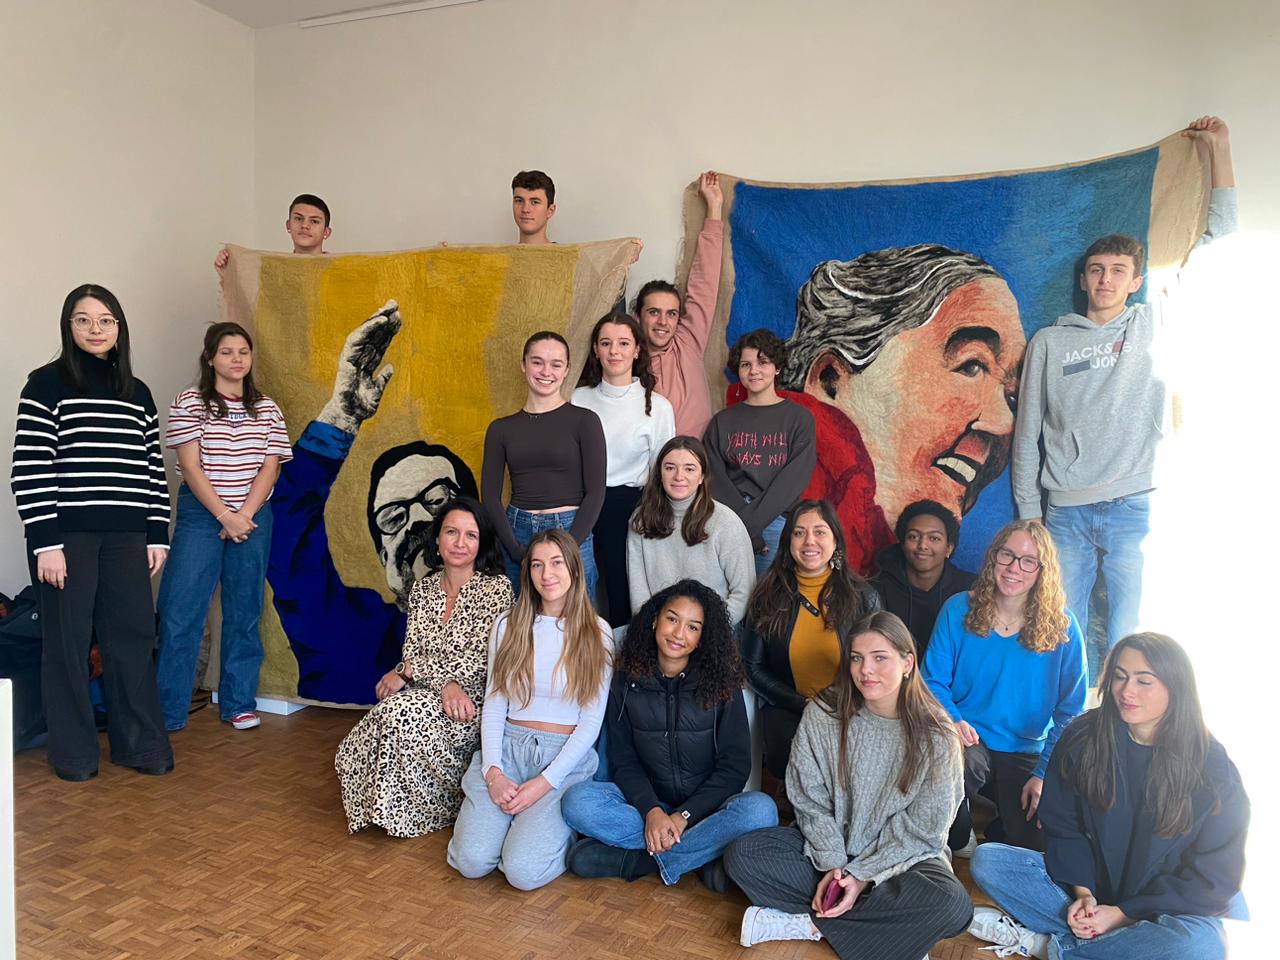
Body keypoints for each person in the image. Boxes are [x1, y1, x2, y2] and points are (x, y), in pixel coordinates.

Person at [1012, 117, 1235, 655]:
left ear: (1135, 282)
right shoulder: (1049, 341)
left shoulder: (1152, 322)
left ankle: (1123, 712)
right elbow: (1026, 435)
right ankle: (1071, 714)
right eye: (1096, 269)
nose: (1105, 279)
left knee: (1132, 638)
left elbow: (1220, 244)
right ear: (1083, 279)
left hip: (1136, 505)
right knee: (1058, 635)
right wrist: (1029, 514)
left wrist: (1220, 150)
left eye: (1117, 270)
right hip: (1065, 511)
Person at [968, 632, 1249, 960]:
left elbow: (1214, 878)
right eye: (1119, 676)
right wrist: (1083, 894)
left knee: (1202, 945)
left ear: (1176, 686)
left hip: (1160, 910)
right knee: (990, 861)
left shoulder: (1213, 768)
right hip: (1091, 891)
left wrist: (1123, 914)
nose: (1126, 691)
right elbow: (1064, 828)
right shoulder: (1083, 736)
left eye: (1144, 681)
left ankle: (1053, 948)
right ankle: (1116, 947)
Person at [724, 611, 971, 958]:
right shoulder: (823, 713)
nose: (865, 670)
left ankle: (808, 926)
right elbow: (808, 799)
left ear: (907, 663)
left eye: (880, 658)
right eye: (857, 658)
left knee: (953, 905)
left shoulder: (938, 733)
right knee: (743, 855)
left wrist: (863, 875)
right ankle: (894, 934)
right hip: (828, 851)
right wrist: (835, 866)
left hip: (901, 861)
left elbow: (925, 829)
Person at [267, 300, 478, 705]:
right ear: (383, 554)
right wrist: (341, 417)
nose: (417, 521)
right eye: (393, 517)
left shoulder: (501, 616)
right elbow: (287, 533)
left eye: (437, 500)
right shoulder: (349, 633)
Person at [10, 284, 173, 780]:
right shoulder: (45, 385)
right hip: (67, 541)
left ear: (119, 328)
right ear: (69, 327)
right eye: (83, 320)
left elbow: (153, 469)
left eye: (105, 320)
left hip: (128, 538)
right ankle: (74, 755)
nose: (95, 329)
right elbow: (30, 467)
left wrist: (157, 533)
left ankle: (140, 745)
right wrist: (46, 542)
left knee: (132, 639)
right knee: (68, 644)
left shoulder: (137, 393)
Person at [782, 244, 1025, 574]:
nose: (1004, 423)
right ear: (830, 380)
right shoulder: (779, 520)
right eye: (971, 365)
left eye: (1013, 397)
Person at [561, 580, 776, 889]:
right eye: (672, 619)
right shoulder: (626, 680)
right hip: (648, 805)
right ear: (654, 620)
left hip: (705, 809)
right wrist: (652, 811)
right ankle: (701, 854)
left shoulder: (721, 683)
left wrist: (683, 816)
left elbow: (735, 767)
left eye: (692, 627)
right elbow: (624, 760)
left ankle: (641, 862)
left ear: (702, 638)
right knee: (577, 801)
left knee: (760, 811)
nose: (678, 633)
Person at [334, 498, 513, 837]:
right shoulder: (423, 589)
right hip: (425, 693)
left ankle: (438, 807)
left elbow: (482, 660)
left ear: (482, 543)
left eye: (471, 535)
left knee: (397, 713)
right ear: (438, 538)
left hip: (470, 704)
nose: (460, 543)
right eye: (451, 532)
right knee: (366, 737)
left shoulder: (496, 589)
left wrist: (412, 671)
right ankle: (390, 809)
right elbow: (411, 650)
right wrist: (423, 674)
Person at [447, 529, 612, 890]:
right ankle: (504, 828)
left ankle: (552, 832)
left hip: (562, 759)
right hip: (508, 748)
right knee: (471, 861)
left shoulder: (597, 633)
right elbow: (495, 704)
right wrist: (494, 772)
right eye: (537, 565)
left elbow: (590, 723)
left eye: (556, 563)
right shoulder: (508, 625)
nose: (546, 574)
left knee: (522, 872)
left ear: (574, 568)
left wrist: (544, 783)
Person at [155, 323, 292, 732]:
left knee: (244, 611)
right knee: (181, 611)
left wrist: (244, 515)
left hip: (254, 516)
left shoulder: (267, 408)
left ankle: (238, 702)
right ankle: (168, 710)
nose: (236, 359)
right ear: (210, 358)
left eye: (243, 352)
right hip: (202, 514)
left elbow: (270, 468)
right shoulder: (190, 402)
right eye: (227, 352)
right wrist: (224, 516)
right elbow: (190, 466)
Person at [924, 519, 1086, 853]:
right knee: (951, 774)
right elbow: (931, 680)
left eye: (1028, 561)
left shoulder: (1064, 626)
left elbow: (1072, 711)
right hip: (969, 737)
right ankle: (959, 831)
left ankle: (1002, 825)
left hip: (1028, 748)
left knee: (1035, 840)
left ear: (1043, 570)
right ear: (993, 557)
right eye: (1007, 555)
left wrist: (1045, 772)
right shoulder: (958, 608)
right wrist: (953, 720)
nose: (1014, 568)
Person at [741, 499, 880, 781]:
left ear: (835, 541)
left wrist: (845, 704)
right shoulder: (767, 596)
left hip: (852, 707)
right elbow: (752, 667)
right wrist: (801, 703)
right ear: (788, 542)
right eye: (799, 532)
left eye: (820, 532)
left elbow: (880, 663)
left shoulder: (864, 597)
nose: (809, 541)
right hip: (790, 708)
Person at [482, 331, 606, 598]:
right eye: (537, 362)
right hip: (517, 531)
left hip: (573, 529)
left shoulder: (585, 421)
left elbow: (596, 492)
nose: (546, 371)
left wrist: (568, 546)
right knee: (521, 615)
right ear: (523, 365)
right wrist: (516, 551)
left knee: (578, 617)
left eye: (556, 364)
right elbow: (490, 497)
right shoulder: (500, 429)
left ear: (567, 370)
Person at [572, 313, 675, 627]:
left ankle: (626, 653)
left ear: (637, 350)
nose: (614, 351)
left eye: (623, 343)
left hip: (630, 507)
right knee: (579, 591)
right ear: (595, 350)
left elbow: (662, 470)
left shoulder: (658, 407)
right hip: (582, 504)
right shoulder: (578, 399)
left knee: (623, 593)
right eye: (606, 343)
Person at [705, 328, 816, 576]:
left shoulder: (799, 419)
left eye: (762, 362)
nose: (754, 370)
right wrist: (741, 526)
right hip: (729, 518)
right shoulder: (722, 421)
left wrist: (749, 526)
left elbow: (793, 480)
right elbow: (714, 478)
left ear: (777, 367)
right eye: (746, 364)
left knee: (769, 596)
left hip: (778, 520)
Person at [626, 436, 755, 625]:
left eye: (689, 469)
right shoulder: (640, 520)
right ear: (660, 474)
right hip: (659, 629)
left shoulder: (725, 522)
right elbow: (639, 593)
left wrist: (703, 630)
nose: (679, 476)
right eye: (670, 468)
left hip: (715, 628)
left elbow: (744, 593)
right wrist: (654, 628)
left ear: (702, 476)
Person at [637, 170, 723, 437]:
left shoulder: (688, 341)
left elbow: (704, 285)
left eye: (672, 314)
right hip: (650, 461)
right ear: (638, 317)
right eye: (654, 312)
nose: (663, 322)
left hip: (697, 458)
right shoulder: (626, 357)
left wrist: (714, 209)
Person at [869, 498, 976, 660]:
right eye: (913, 537)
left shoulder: (970, 589)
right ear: (902, 544)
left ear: (949, 548)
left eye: (934, 538)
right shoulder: (876, 588)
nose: (922, 545)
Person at [214, 193, 331, 272]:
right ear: (288, 225)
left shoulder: (337, 269)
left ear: (326, 232)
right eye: (298, 218)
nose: (305, 225)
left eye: (314, 221)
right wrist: (228, 265)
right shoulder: (274, 270)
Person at [512, 170, 556, 245]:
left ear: (550, 211)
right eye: (519, 201)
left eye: (535, 202)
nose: (525, 209)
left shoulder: (570, 252)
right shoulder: (498, 252)